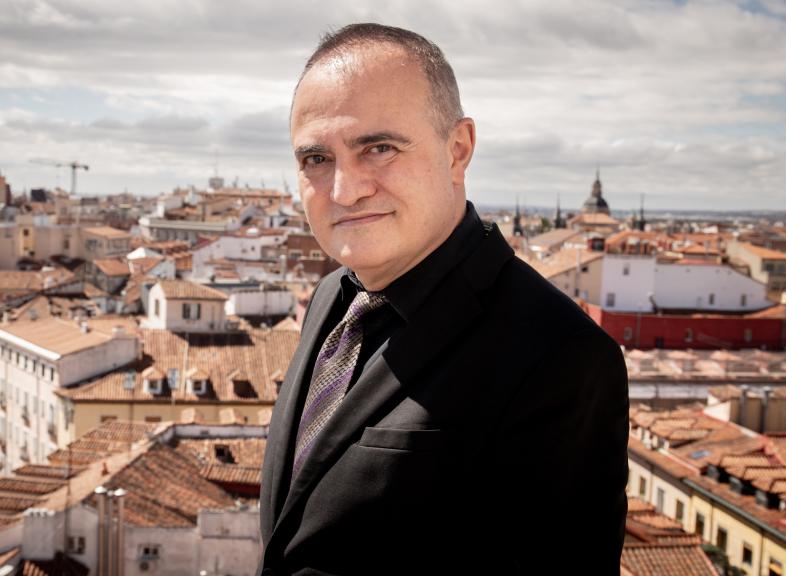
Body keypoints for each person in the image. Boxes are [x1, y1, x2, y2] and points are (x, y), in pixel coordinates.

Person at [258, 23, 630, 575]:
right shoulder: (334, 295)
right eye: (316, 159)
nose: (343, 189)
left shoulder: (561, 357)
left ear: (458, 150)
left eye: (379, 148)